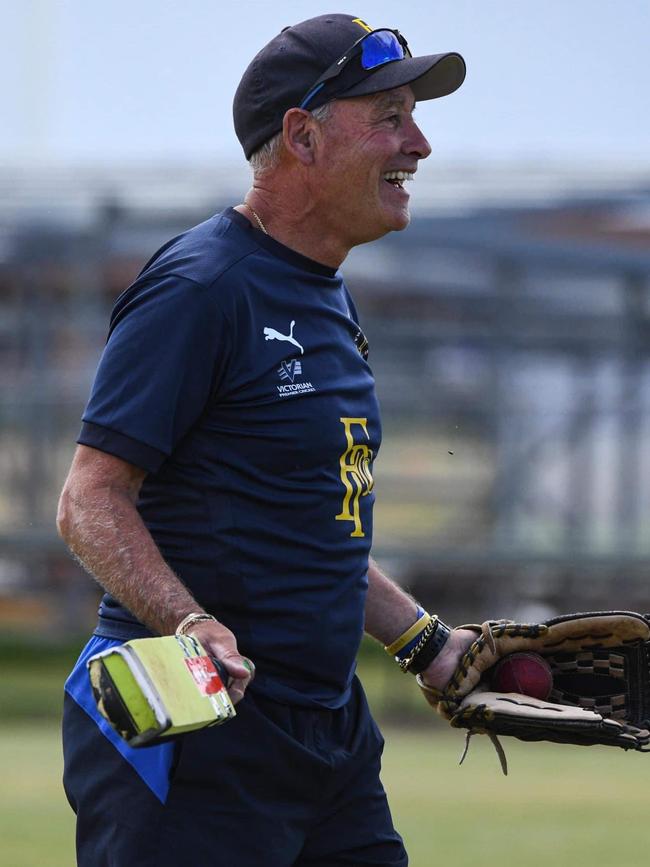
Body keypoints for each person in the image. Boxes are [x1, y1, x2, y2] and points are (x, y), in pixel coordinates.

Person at [58, 13, 474, 866]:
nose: (420, 143)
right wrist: (189, 620)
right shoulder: (200, 287)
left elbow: (305, 523)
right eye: (390, 115)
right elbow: (88, 500)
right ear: (303, 137)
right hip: (199, 727)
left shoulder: (329, 296)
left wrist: (425, 642)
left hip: (327, 736)